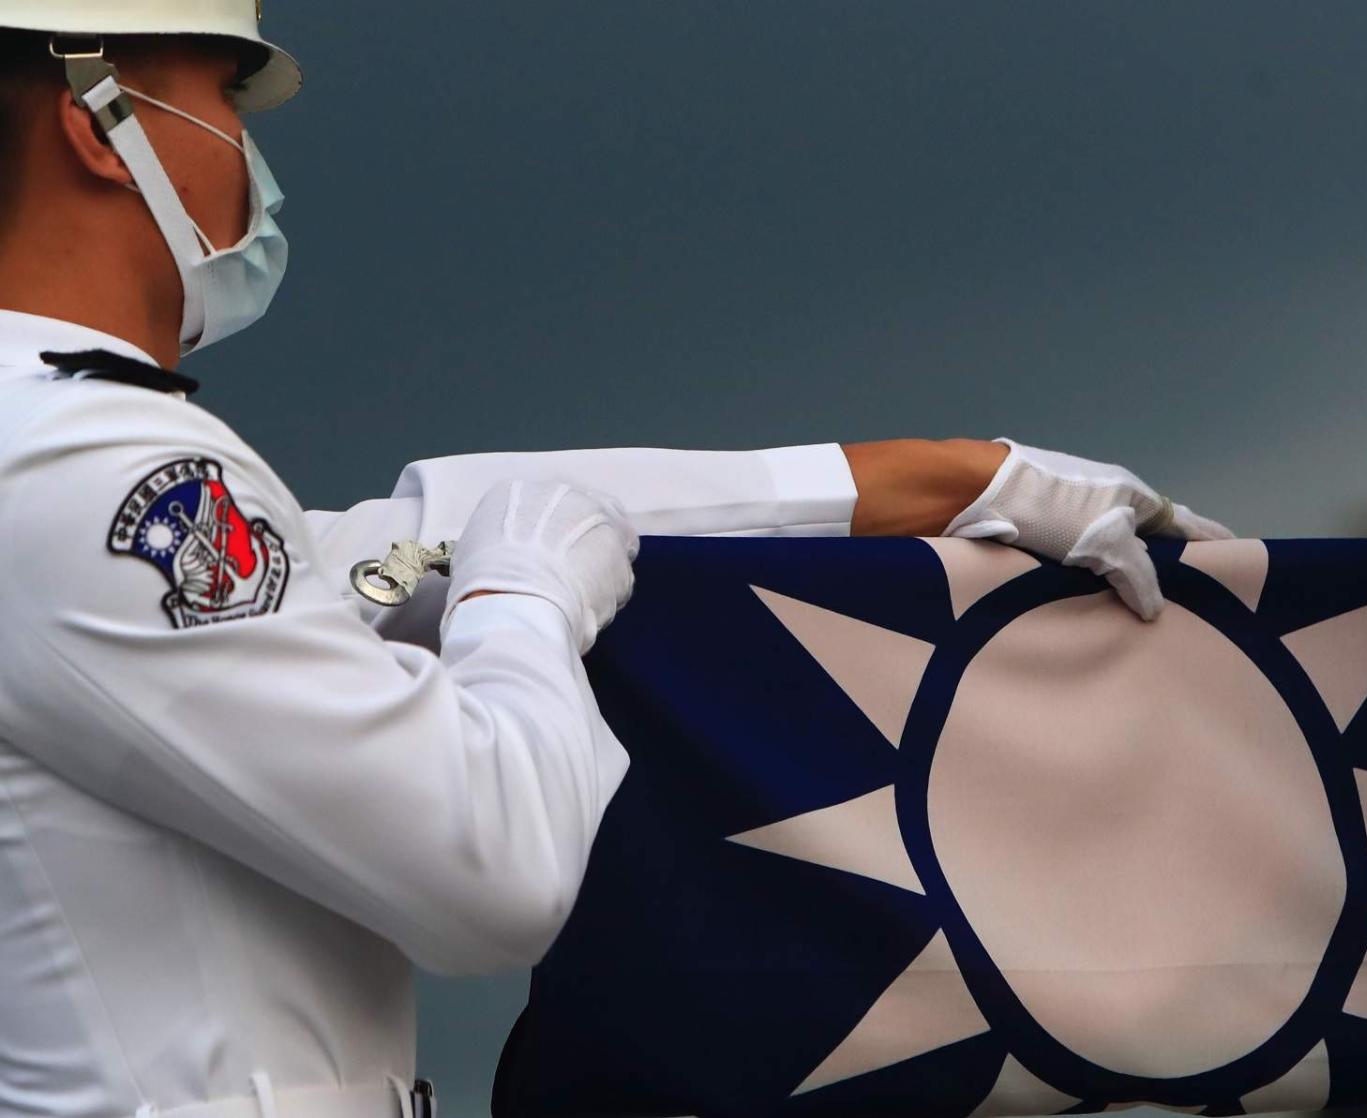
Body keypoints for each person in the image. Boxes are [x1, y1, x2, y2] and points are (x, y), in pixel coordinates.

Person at [0, 5, 1231, 1117]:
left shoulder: (55, 441)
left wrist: (952, 478)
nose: (247, 153)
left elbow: (408, 535)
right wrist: (522, 601)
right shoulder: (87, 462)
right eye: (222, 96)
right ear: (99, 125)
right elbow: (490, 865)